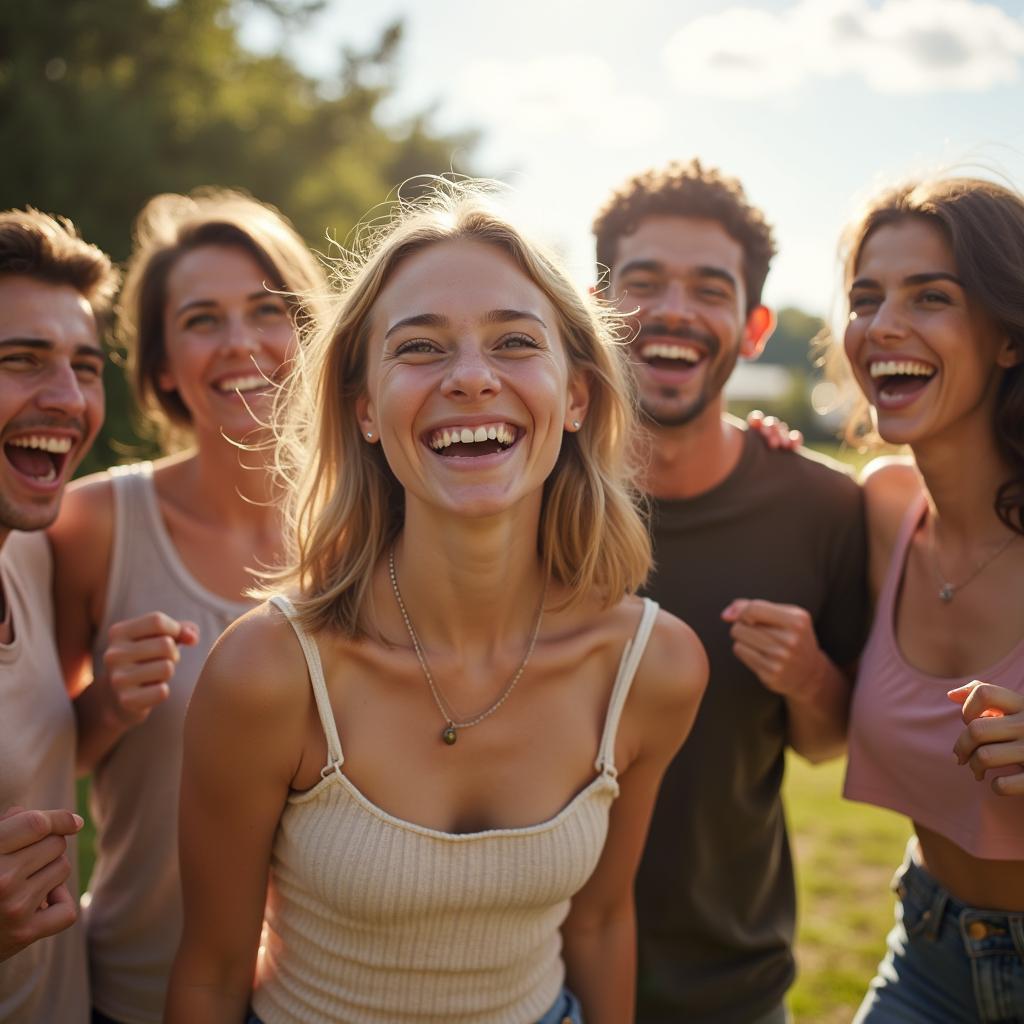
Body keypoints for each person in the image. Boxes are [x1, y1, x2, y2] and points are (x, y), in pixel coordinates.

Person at [165, 180, 708, 1024]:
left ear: (576, 397)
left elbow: (600, 923)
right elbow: (210, 971)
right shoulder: (268, 672)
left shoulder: (652, 666)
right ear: (366, 410)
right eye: (419, 349)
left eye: (515, 343)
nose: (470, 379)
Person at [591, 159, 869, 1024]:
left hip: (733, 990)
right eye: (644, 283)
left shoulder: (823, 507)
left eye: (709, 290)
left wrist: (810, 675)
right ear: (593, 307)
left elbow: (824, 744)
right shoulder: (520, 496)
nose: (674, 310)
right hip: (527, 981)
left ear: (750, 328)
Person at [47, 189, 327, 1024]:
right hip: (139, 984)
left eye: (266, 312)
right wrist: (101, 706)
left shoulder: (374, 531)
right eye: (202, 320)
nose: (240, 343)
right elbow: (40, 760)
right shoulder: (93, 525)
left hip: (323, 998)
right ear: (163, 365)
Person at [839, 177, 1024, 1021]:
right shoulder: (884, 507)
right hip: (931, 950)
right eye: (865, 298)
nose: (882, 327)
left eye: (931, 296)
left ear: (1007, 337)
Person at [0, 208, 118, 1022]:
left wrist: (109, 698)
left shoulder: (32, 552)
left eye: (86, 366)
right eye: (22, 362)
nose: (69, 400)